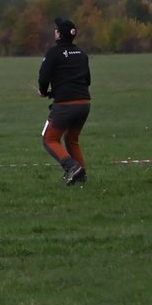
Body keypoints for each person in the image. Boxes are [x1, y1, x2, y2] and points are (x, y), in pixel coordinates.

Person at [37, 16, 91, 186]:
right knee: (71, 139)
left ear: (59, 35)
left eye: (57, 30)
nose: (55, 31)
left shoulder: (53, 53)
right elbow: (87, 80)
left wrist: (44, 92)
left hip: (65, 106)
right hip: (84, 104)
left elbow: (43, 77)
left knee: (49, 139)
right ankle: (81, 175)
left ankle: (72, 167)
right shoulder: (82, 54)